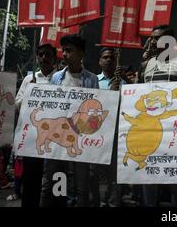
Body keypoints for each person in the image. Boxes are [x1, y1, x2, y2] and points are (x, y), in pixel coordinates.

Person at [40, 34, 99, 207]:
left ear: (81, 54)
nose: (64, 54)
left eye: (69, 50)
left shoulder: (91, 79)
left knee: (80, 187)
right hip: (56, 138)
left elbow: (94, 108)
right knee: (49, 184)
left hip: (79, 140)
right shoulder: (57, 77)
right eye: (63, 50)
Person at [138, 25, 177, 207]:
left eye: (157, 38)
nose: (152, 42)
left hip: (176, 131)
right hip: (150, 131)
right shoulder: (145, 65)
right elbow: (138, 96)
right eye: (152, 38)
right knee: (149, 176)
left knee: (176, 177)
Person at [16, 43, 57, 207]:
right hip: (32, 139)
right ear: (37, 57)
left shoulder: (59, 79)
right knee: (31, 179)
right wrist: (30, 91)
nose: (44, 58)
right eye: (41, 54)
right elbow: (18, 104)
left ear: (54, 58)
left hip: (54, 140)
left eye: (48, 54)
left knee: (52, 181)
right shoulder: (29, 79)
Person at [91, 47, 122, 207]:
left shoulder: (124, 83)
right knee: (94, 172)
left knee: (114, 174)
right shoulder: (93, 81)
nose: (109, 60)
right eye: (105, 57)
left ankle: (113, 202)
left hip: (117, 134)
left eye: (112, 57)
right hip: (97, 135)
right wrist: (109, 94)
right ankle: (96, 201)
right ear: (100, 61)